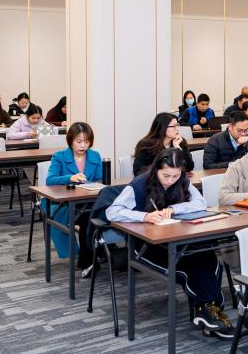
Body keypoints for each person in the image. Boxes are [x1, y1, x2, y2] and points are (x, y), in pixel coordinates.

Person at [107, 149, 232, 336]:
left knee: (207, 256)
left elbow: (200, 203)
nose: (170, 180)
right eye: (165, 175)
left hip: (177, 240)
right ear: (156, 169)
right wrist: (144, 216)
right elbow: (112, 212)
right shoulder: (140, 184)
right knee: (189, 266)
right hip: (146, 247)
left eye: (175, 175)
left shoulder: (182, 181)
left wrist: (174, 209)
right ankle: (209, 310)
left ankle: (208, 311)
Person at [44, 122, 102, 267]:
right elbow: (50, 180)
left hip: (88, 201)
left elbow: (100, 179)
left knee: (97, 214)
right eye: (79, 141)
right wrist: (70, 178)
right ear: (70, 140)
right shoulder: (59, 156)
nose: (83, 145)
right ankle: (89, 260)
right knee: (88, 218)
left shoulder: (95, 155)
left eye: (87, 142)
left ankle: (92, 257)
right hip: (65, 204)